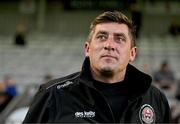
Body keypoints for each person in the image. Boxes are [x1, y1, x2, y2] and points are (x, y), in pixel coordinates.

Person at [23, 11, 171, 123]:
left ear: (132, 53)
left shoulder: (155, 99)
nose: (109, 45)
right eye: (102, 37)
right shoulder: (52, 95)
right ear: (87, 49)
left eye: (119, 39)